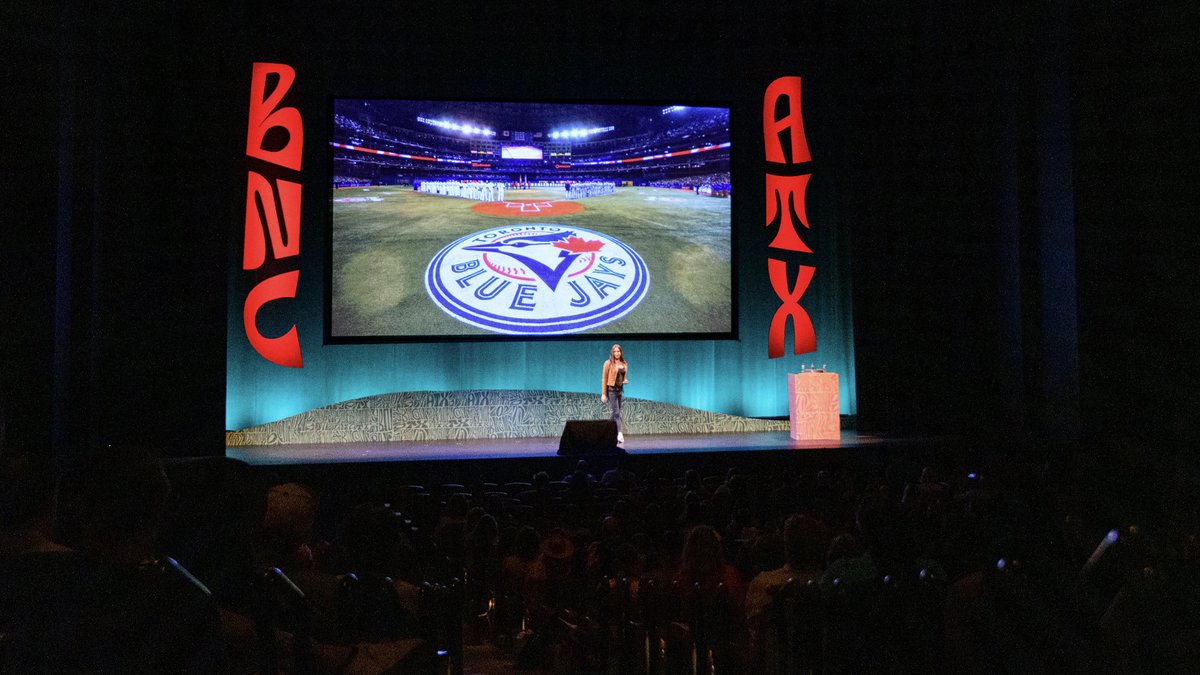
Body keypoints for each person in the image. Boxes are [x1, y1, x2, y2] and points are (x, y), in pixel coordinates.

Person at [600, 343, 629, 444]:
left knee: (614, 413)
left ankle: (605, 432)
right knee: (616, 413)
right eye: (615, 351)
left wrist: (624, 380)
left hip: (619, 390)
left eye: (618, 351)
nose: (617, 353)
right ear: (612, 353)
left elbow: (623, 376)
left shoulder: (624, 363)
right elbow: (604, 378)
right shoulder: (608, 363)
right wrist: (603, 394)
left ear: (621, 352)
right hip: (611, 390)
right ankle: (619, 434)